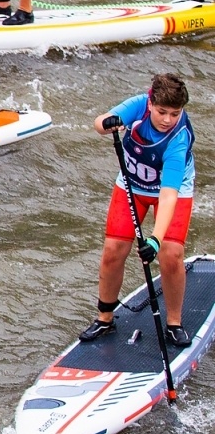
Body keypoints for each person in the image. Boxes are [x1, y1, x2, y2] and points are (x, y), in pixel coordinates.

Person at [79, 73, 194, 347]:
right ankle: (104, 318)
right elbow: (99, 123)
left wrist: (154, 238)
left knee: (170, 253)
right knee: (113, 250)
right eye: (162, 111)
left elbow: (168, 197)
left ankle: (174, 322)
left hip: (171, 189)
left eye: (175, 113)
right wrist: (108, 125)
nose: (167, 119)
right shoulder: (137, 105)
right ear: (150, 102)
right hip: (132, 185)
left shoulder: (179, 139)